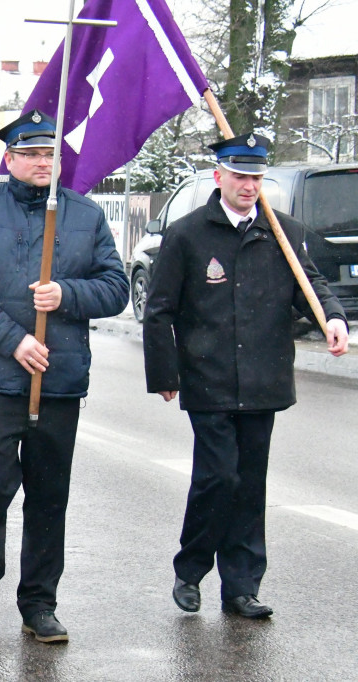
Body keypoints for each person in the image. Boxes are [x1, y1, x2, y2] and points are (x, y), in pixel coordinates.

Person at [0, 110, 129, 642]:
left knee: (49, 495)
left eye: (50, 155)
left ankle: (39, 602)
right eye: (31, 154)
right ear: (10, 159)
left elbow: (116, 287)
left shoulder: (85, 215)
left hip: (60, 378)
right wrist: (15, 340)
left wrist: (68, 294)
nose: (43, 163)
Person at [142, 132, 350, 620]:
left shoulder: (284, 233)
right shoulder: (189, 234)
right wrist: (164, 372)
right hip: (209, 378)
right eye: (240, 176)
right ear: (219, 177)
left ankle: (241, 587)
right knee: (218, 477)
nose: (249, 186)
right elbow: (159, 310)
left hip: (263, 379)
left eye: (256, 178)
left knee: (249, 484)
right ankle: (191, 568)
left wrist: (333, 317)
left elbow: (311, 285)